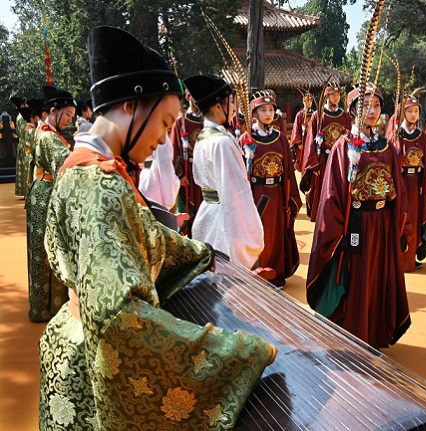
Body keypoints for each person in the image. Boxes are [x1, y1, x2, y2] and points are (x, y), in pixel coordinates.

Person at [40, 26, 277, 429]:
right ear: (132, 106)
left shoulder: (76, 168)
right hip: (91, 363)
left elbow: (139, 240)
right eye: (164, 122)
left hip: (69, 342)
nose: (165, 137)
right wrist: (234, 352)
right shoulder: (102, 186)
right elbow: (120, 318)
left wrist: (202, 255)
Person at [306, 84, 411, 348]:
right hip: (357, 226)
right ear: (354, 111)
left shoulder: (387, 147)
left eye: (377, 106)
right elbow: (332, 192)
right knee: (358, 279)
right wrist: (337, 233)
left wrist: (400, 227)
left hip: (383, 224)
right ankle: (356, 333)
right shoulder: (343, 146)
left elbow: (397, 190)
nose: (373, 111)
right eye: (366, 106)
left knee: (379, 278)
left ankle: (376, 331)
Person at [185, 74, 264, 269]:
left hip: (206, 217)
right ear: (218, 106)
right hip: (224, 223)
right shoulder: (222, 143)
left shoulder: (203, 138)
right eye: (231, 102)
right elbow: (236, 196)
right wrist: (250, 237)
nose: (235, 108)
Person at [239, 90, 301, 287]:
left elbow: (289, 171)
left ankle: (275, 275)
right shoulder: (246, 139)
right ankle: (257, 273)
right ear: (254, 114)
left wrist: (290, 198)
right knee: (257, 233)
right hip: (256, 194)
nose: (268, 114)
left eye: (271, 110)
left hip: (276, 194)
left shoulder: (281, 139)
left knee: (275, 236)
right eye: (263, 110)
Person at [26, 85, 75, 322]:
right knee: (47, 252)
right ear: (53, 111)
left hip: (42, 193)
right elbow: (64, 166)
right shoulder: (47, 136)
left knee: (44, 252)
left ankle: (43, 307)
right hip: (45, 196)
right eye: (67, 115)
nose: (69, 120)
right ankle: (48, 309)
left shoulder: (49, 134)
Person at [300, 81, 352, 221]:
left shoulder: (345, 116)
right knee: (322, 189)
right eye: (333, 94)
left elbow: (349, 138)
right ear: (327, 95)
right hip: (323, 159)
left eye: (338, 94)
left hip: (341, 160)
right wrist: (313, 163)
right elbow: (310, 140)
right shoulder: (318, 116)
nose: (336, 97)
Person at [393, 93, 426, 271]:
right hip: (401, 183)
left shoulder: (421, 137)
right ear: (403, 113)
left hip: (416, 184)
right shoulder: (395, 135)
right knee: (402, 218)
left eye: (416, 111)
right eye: (410, 111)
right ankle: (399, 257)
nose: (413, 115)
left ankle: (412, 256)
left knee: (415, 219)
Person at [170, 87, 204, 235]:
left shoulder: (208, 121)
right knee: (188, 208)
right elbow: (174, 148)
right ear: (188, 97)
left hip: (204, 170)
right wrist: (180, 174)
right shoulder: (181, 121)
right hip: (188, 171)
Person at [290, 89, 315, 173]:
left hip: (312, 141)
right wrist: (298, 142)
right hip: (303, 142)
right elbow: (296, 128)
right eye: (308, 101)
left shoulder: (314, 114)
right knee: (302, 160)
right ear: (303, 101)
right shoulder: (299, 114)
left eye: (311, 101)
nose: (309, 103)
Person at [11, 96, 30, 197]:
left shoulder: (18, 116)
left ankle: (23, 190)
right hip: (26, 144)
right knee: (27, 168)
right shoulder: (23, 117)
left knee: (23, 168)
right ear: (22, 105)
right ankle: (27, 191)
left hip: (21, 144)